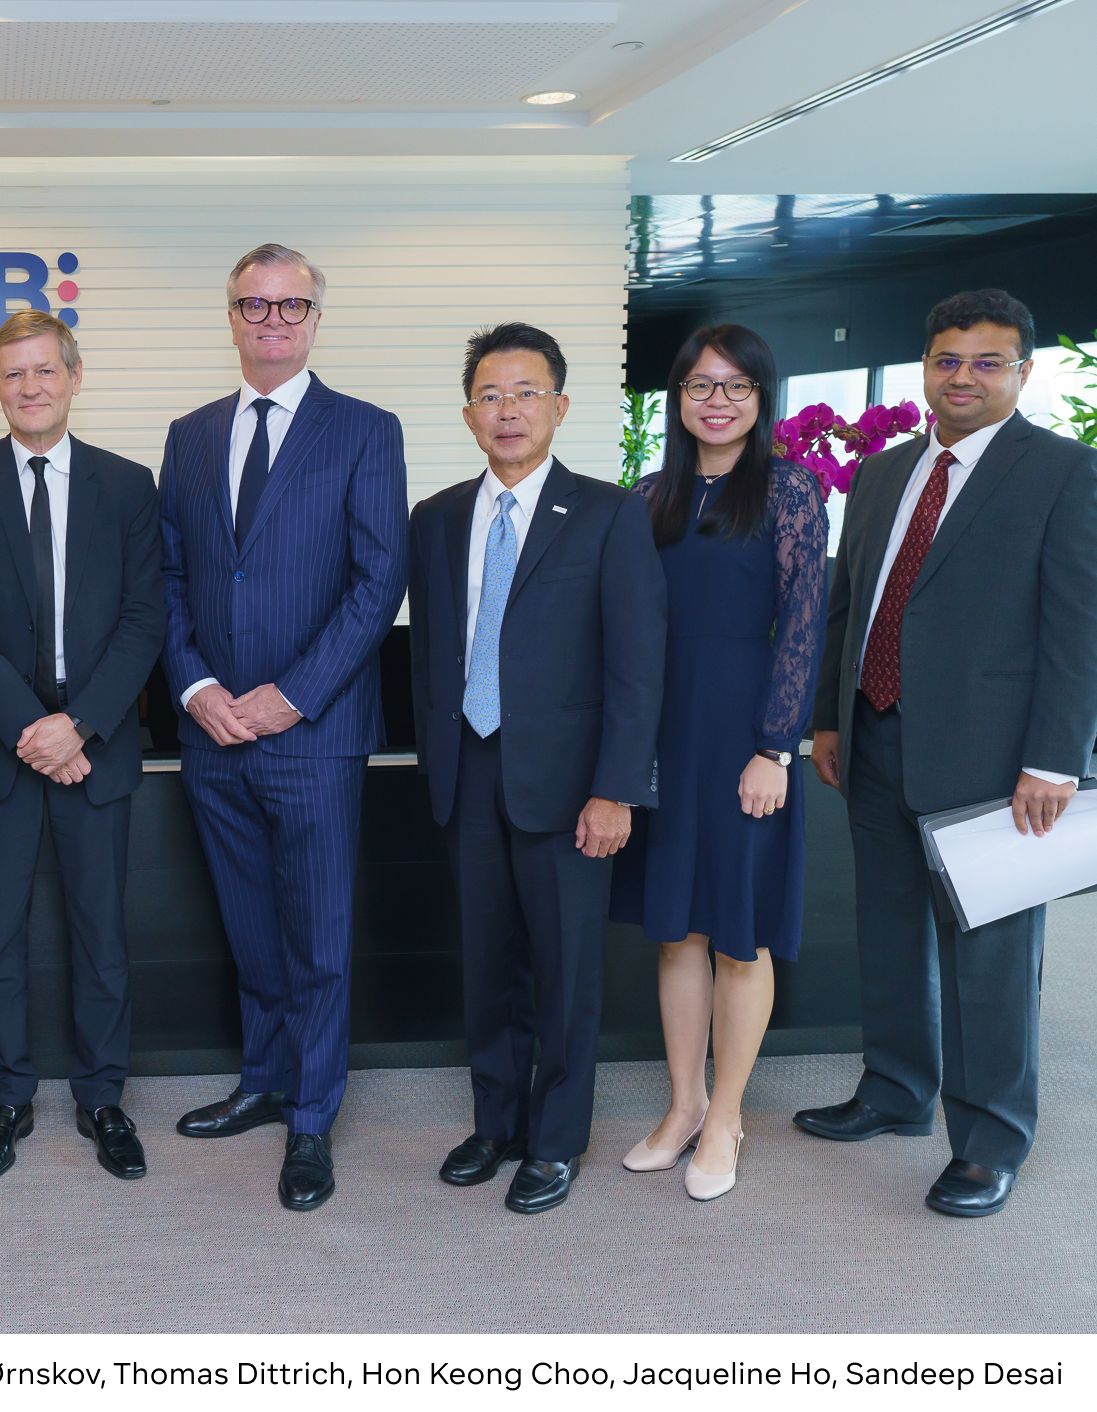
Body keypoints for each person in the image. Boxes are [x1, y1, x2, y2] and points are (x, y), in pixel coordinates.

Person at [799, 289, 1097, 1218]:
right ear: (926, 366)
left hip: (995, 759)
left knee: (989, 958)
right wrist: (830, 718)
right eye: (947, 360)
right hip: (875, 735)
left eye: (987, 362)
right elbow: (849, 603)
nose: (963, 377)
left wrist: (1055, 759)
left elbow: (1079, 629)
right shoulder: (883, 472)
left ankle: (990, 1143)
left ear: (1023, 372)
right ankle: (895, 1092)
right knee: (888, 932)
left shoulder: (1065, 472)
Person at [161, 244, 408, 1212]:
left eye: (290, 304)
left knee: (317, 938)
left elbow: (376, 582)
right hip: (212, 732)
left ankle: (311, 1116)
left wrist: (292, 695)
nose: (272, 319)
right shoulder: (188, 436)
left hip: (314, 732)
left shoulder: (365, 430)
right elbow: (169, 577)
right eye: (253, 304)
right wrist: (195, 686)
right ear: (229, 316)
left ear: (314, 318)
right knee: (250, 929)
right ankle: (264, 1080)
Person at [407, 322, 664, 1214]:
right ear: (468, 414)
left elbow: (637, 665)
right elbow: (431, 652)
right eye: (490, 395)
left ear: (559, 406)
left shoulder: (608, 513)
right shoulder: (437, 518)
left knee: (565, 971)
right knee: (488, 967)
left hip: (571, 785)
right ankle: (496, 1124)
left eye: (525, 393)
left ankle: (555, 1142)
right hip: (468, 770)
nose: (507, 410)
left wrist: (616, 788)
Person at [0, 310, 164, 1183]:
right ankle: (7, 1099)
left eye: (45, 370)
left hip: (94, 743)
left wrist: (80, 725)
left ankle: (103, 1097)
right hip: (0, 745)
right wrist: (35, 730)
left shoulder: (127, 486)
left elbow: (145, 619)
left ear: (74, 376)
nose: (30, 387)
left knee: (102, 935)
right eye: (13, 373)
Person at [609, 325, 827, 1201]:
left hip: (745, 733)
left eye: (737, 386)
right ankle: (684, 1105)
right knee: (676, 931)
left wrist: (776, 747)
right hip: (662, 732)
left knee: (740, 934)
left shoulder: (788, 490)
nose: (718, 401)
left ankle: (728, 1115)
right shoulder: (647, 495)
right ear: (678, 398)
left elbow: (804, 625)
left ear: (761, 398)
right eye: (701, 385)